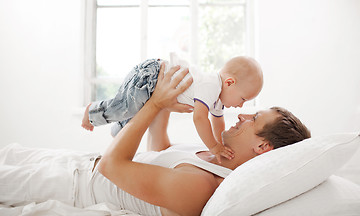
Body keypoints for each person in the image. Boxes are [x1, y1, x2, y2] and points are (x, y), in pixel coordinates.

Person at [0, 64, 310, 216]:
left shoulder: (203, 186)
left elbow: (112, 166)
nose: (243, 115)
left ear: (263, 147)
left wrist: (154, 105)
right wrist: (165, 98)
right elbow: (158, 149)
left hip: (72, 188)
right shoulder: (214, 154)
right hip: (75, 164)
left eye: (254, 119)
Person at [82, 54, 264, 163]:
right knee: (125, 107)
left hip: (157, 86)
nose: (240, 106)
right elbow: (200, 118)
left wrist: (221, 145)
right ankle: (92, 112)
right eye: (243, 99)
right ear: (229, 82)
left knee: (134, 110)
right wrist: (214, 147)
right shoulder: (211, 85)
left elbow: (218, 122)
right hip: (152, 75)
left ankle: (118, 130)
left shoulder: (217, 101)